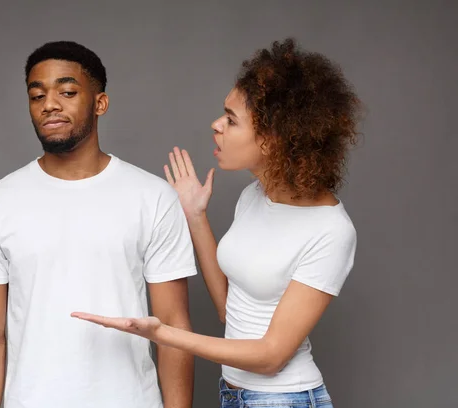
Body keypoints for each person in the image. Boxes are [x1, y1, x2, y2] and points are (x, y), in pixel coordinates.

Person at [72, 38, 361, 408]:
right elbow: (230, 310)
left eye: (231, 119)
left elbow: (272, 356)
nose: (216, 124)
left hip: (283, 399)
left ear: (272, 140)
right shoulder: (255, 196)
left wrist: (165, 334)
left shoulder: (331, 231)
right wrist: (195, 215)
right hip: (235, 393)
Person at [0, 41, 196, 408]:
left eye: (67, 92)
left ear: (100, 103)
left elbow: (172, 326)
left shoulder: (153, 197)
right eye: (37, 96)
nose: (49, 104)